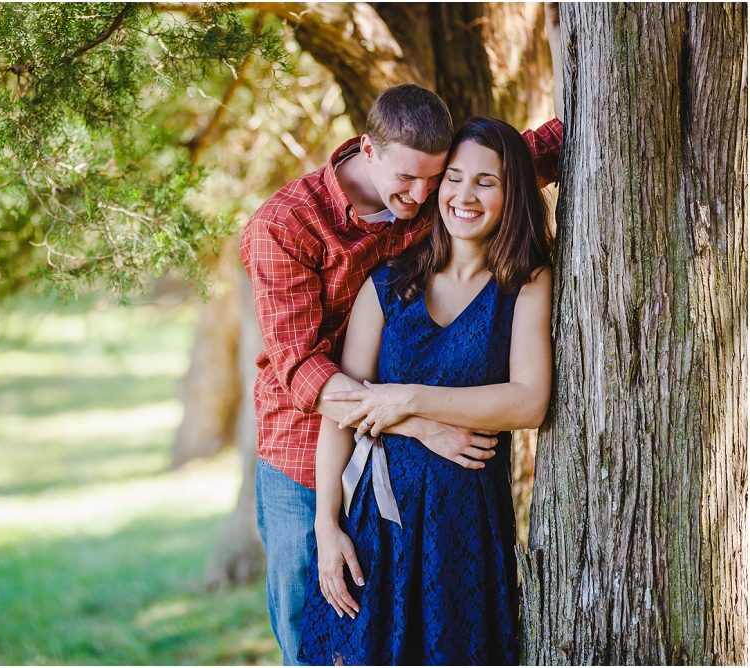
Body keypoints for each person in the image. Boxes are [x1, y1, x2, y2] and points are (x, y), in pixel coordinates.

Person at [239, 83, 562, 665]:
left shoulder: (440, 192)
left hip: (420, 468)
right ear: (369, 148)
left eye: (433, 179)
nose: (421, 195)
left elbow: (513, 159)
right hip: (303, 445)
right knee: (311, 612)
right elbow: (303, 371)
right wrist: (414, 421)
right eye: (409, 179)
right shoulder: (284, 226)